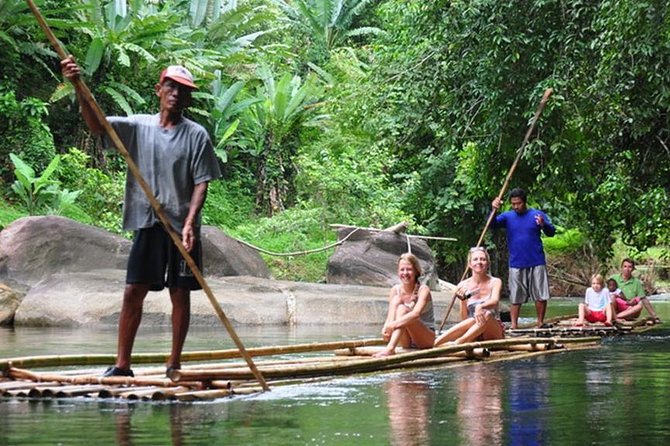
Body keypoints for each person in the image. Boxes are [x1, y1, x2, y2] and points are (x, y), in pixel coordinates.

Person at [61, 56, 222, 377]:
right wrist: (78, 87)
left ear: (188, 98)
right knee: (133, 290)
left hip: (181, 228)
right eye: (170, 87)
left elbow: (202, 182)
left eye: (182, 90)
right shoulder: (138, 126)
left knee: (180, 293)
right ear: (159, 90)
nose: (175, 94)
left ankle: (174, 363)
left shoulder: (196, 135)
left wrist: (190, 223)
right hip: (148, 223)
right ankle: (123, 365)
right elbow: (98, 125)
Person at [492, 187, 555, 329]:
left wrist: (543, 224)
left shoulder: (536, 214)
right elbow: (492, 224)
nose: (516, 207)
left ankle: (540, 322)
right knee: (515, 296)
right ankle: (514, 325)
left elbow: (551, 232)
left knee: (540, 294)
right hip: (516, 262)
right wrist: (494, 209)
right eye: (513, 204)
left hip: (536, 260)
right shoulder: (507, 216)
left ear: (524, 202)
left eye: (518, 203)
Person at [434, 247, 505, 345]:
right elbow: (464, 320)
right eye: (475, 259)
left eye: (483, 259)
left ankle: (459, 342)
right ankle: (435, 343)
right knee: (473, 320)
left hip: (492, 332)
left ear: (487, 263)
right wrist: (463, 300)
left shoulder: (495, 282)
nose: (479, 262)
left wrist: (481, 307)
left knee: (486, 314)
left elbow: (494, 301)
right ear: (470, 264)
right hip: (473, 332)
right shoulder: (462, 285)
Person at [374, 253, 436, 357]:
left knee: (402, 309)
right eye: (402, 270)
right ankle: (391, 344)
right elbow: (390, 316)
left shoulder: (423, 290)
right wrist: (385, 329)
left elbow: (415, 314)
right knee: (397, 300)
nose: (405, 273)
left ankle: (390, 348)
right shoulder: (395, 290)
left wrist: (392, 325)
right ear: (398, 272)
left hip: (425, 339)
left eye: (409, 269)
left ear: (416, 271)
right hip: (405, 340)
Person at [609, 258, 662, 323]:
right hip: (615, 308)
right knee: (612, 297)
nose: (627, 269)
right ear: (621, 268)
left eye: (630, 267)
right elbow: (603, 293)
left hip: (629, 310)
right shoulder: (613, 278)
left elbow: (643, 299)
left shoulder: (636, 282)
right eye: (625, 266)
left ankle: (616, 317)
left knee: (640, 304)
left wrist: (654, 315)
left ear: (633, 269)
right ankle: (613, 316)